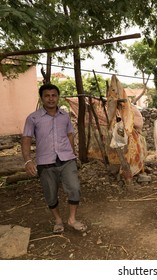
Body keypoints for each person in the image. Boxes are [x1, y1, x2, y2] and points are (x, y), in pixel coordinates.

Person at [21, 84, 87, 234]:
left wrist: (73, 154)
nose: (51, 99)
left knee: (74, 188)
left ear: (58, 97)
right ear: (42, 98)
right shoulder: (33, 118)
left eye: (54, 95)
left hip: (67, 159)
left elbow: (70, 135)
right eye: (47, 96)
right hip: (45, 162)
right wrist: (28, 160)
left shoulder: (65, 116)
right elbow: (26, 138)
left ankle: (72, 219)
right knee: (50, 194)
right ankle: (58, 220)